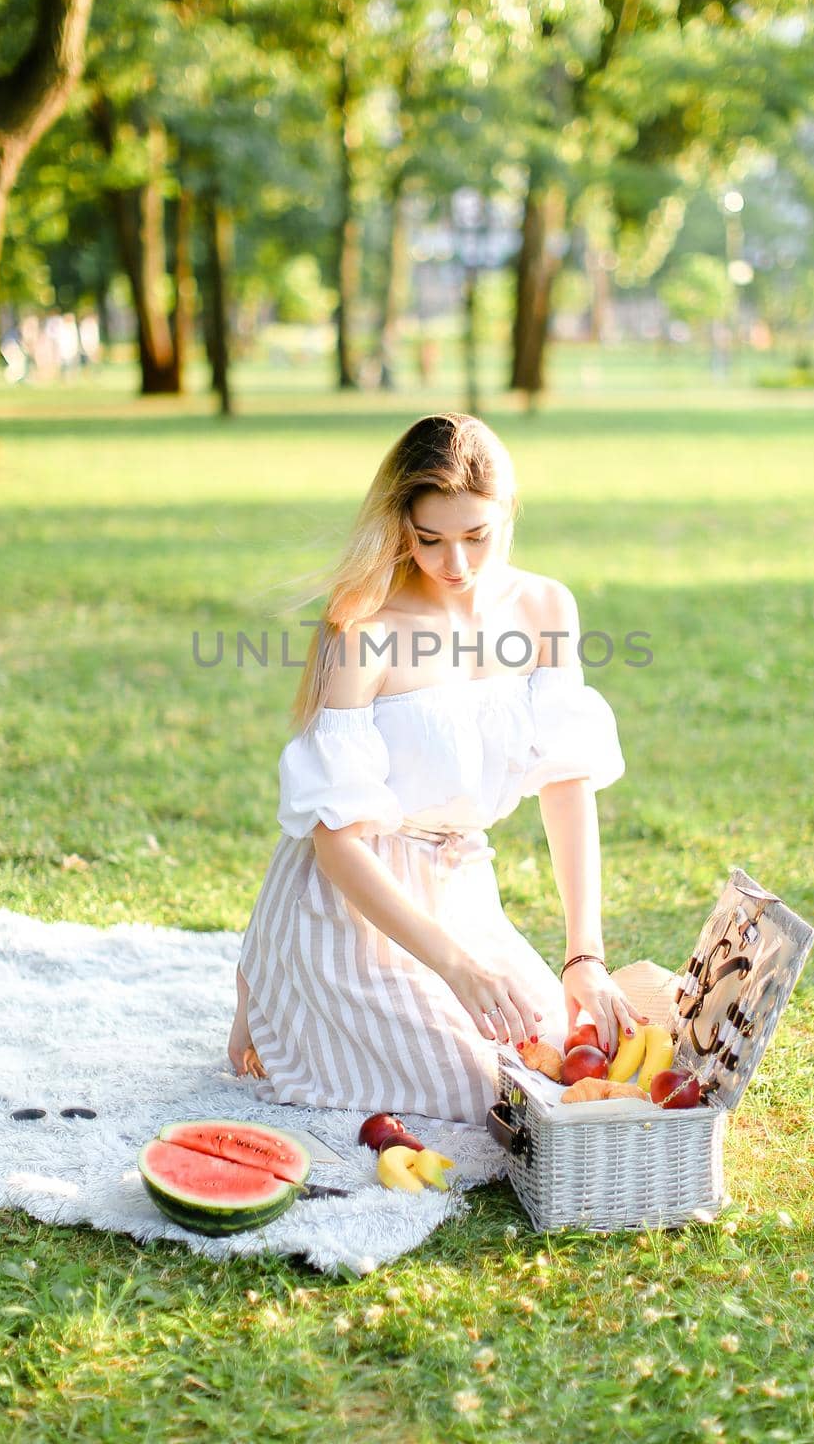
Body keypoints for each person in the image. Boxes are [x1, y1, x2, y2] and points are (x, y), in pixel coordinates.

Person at [227, 412, 647, 1124]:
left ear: (508, 512)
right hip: (349, 904)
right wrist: (455, 967)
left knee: (544, 1056)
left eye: (476, 536)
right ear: (401, 526)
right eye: (430, 541)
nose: (455, 563)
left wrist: (585, 957)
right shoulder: (367, 624)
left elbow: (566, 783)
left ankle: (281, 998)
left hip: (458, 889)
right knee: (480, 1090)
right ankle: (270, 985)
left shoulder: (545, 606)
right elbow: (336, 845)